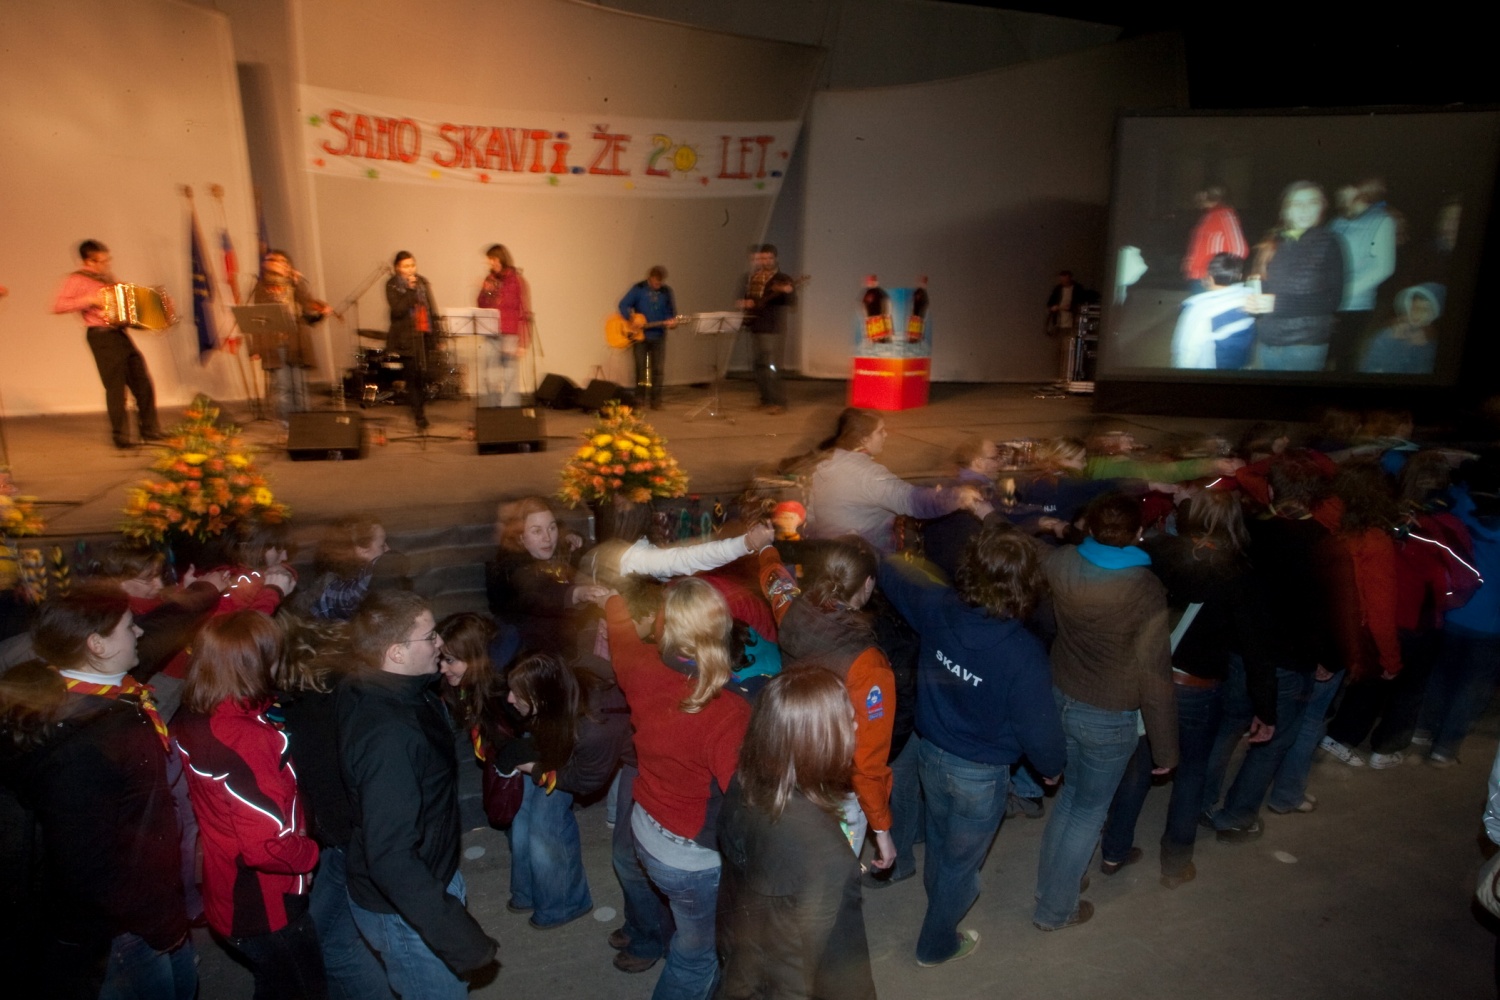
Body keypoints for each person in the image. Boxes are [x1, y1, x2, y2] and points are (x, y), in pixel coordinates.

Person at [878, 524, 1065, 965]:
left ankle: (936, 902)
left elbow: (891, 574)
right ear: (1025, 586)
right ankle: (935, 943)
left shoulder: (937, 607)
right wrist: (1052, 767)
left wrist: (874, 550)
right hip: (980, 776)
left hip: (931, 755)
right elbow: (1039, 728)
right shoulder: (1023, 654)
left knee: (942, 845)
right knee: (962, 864)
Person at [0, 585, 196, 999]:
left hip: (149, 912)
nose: (139, 633)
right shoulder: (83, 744)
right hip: (126, 933)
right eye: (129, 626)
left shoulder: (106, 695)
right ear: (97, 645)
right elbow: (88, 869)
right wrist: (157, 921)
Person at [338, 592, 498, 998]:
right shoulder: (388, 734)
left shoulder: (396, 689)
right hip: (407, 917)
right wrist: (457, 935)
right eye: (429, 637)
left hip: (429, 875)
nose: (440, 643)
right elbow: (390, 856)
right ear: (395, 652)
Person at [604, 577, 752, 1000]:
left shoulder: (640, 666)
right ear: (721, 629)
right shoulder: (728, 711)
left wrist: (613, 599)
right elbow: (745, 809)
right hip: (692, 859)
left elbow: (619, 634)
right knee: (697, 953)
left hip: (646, 829)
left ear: (665, 627)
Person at [1035, 493, 1176, 931]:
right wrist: (1165, 747)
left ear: (1091, 528)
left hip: (1062, 697)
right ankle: (1055, 910)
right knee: (1087, 811)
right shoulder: (1144, 587)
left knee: (1069, 802)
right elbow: (1154, 671)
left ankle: (1053, 885)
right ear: (1138, 532)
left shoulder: (1061, 564)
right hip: (1109, 713)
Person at [172, 611, 326, 999]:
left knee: (275, 986)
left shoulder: (194, 711)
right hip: (265, 905)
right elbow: (265, 848)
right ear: (253, 664)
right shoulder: (245, 740)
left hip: (228, 889)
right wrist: (309, 855)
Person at [716, 668, 877, 1000]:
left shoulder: (744, 781)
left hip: (744, 957)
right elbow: (844, 973)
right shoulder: (828, 856)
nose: (857, 727)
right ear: (816, 741)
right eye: (847, 721)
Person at [274, 615, 395, 1000]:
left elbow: (328, 780)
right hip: (352, 833)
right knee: (332, 939)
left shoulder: (308, 705)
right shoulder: (345, 682)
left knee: (332, 944)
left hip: (349, 836)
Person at [757, 538, 896, 871]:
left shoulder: (790, 610)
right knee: (832, 877)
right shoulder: (867, 664)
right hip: (836, 789)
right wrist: (882, 829)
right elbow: (868, 759)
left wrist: (764, 549)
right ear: (866, 585)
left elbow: (773, 578)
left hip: (790, 760)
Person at [495, 652, 631, 929]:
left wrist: (535, 770)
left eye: (517, 694)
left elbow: (584, 782)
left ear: (543, 698)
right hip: (573, 739)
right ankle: (528, 892)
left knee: (549, 824)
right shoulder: (558, 687)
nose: (509, 699)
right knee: (526, 809)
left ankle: (565, 903)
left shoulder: (595, 728)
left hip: (639, 760)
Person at [804, 408, 974, 553]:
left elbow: (812, 521)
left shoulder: (825, 468)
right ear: (864, 439)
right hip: (867, 559)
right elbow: (911, 501)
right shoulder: (868, 475)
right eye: (880, 431)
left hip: (830, 554)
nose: (886, 435)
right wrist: (958, 496)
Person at [52, 239, 164, 448]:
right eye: (101, 261)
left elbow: (124, 301)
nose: (106, 265)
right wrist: (89, 299)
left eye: (107, 260)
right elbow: (58, 305)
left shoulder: (106, 278)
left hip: (118, 333)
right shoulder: (77, 279)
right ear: (88, 261)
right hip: (101, 335)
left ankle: (150, 430)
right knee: (115, 386)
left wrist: (146, 312)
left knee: (142, 382)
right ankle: (120, 436)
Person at [1244, 181, 1346, 371]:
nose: (1304, 209)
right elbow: (1258, 284)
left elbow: (1333, 300)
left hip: (1305, 345)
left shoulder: (1330, 243)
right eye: (1297, 203)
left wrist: (1279, 304)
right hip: (1267, 339)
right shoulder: (1270, 242)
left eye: (1312, 202)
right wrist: (1252, 304)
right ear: (1285, 210)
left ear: (1322, 206)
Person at [250, 249, 329, 421]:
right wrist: (255, 349)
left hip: (296, 342)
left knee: (299, 386)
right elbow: (258, 318)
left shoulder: (293, 284)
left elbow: (307, 305)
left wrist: (298, 283)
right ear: (267, 264)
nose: (281, 264)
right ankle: (287, 426)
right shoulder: (262, 287)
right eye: (275, 261)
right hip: (274, 343)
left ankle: (304, 425)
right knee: (283, 387)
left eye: (284, 261)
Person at [1329, 178, 1398, 372]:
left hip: (1355, 305)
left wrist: (1343, 291)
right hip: (1328, 301)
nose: (1343, 201)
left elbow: (1384, 267)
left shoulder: (1382, 220)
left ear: (1362, 196)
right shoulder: (1337, 221)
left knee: (1344, 357)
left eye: (1349, 196)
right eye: (1340, 197)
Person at [292, 515, 404, 622]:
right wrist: (391, 559)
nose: (388, 549)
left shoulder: (366, 581)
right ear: (361, 550)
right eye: (382, 545)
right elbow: (355, 595)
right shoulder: (331, 590)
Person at [386, 251, 442, 431]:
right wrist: (410, 290)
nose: (410, 269)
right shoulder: (392, 285)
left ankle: (418, 408)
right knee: (412, 378)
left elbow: (431, 309)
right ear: (397, 268)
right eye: (406, 266)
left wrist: (437, 335)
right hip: (406, 338)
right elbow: (397, 310)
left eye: (412, 265)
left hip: (423, 335)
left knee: (423, 376)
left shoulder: (422, 282)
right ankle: (419, 416)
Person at [1169, 252, 1255, 370]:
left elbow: (1187, 352)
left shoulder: (1198, 310)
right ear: (1239, 276)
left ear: (1209, 277)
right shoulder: (1251, 298)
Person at [738, 244, 795, 414]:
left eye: (769, 258)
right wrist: (744, 302)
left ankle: (779, 402)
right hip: (756, 326)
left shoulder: (782, 277)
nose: (765, 261)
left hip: (773, 328)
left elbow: (792, 302)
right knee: (759, 366)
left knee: (772, 366)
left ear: (775, 258)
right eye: (762, 258)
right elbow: (744, 298)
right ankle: (765, 400)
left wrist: (787, 291)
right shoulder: (752, 277)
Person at [476, 244, 531, 407]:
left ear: (500, 258)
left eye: (492, 259)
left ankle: (509, 416)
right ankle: (491, 413)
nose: (490, 264)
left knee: (509, 378)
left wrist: (523, 342)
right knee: (491, 377)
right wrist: (486, 291)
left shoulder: (517, 280)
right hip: (491, 333)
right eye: (489, 260)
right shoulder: (490, 279)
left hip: (510, 334)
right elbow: (480, 305)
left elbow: (524, 311)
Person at [618, 266, 679, 410]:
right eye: (656, 282)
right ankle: (639, 399)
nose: (658, 285)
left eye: (660, 283)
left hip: (658, 335)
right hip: (640, 336)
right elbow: (623, 305)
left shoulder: (666, 292)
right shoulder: (638, 289)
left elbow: (670, 311)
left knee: (658, 369)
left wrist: (671, 321)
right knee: (641, 368)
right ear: (650, 278)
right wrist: (631, 319)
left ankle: (656, 401)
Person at [1359, 283, 1443, 375]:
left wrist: (1423, 348)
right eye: (1413, 307)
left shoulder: (1431, 345)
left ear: (1433, 315)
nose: (1417, 312)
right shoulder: (1388, 333)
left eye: (1424, 309)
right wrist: (1391, 341)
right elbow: (1369, 365)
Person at [1181, 185, 1249, 289]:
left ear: (1205, 195)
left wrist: (1217, 273)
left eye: (1199, 194)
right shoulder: (1208, 216)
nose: (1195, 197)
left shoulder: (1225, 215)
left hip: (1211, 281)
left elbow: (1239, 249)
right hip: (1198, 278)